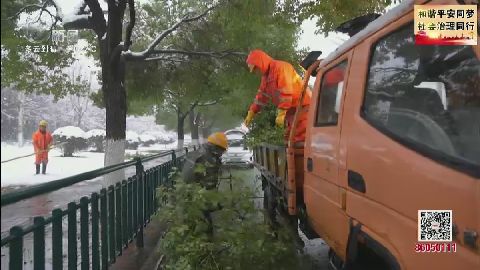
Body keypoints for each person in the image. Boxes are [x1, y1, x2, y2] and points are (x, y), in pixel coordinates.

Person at [243, 49, 312, 144]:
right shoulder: (266, 77)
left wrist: (281, 113)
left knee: (300, 140)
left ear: (260, 63)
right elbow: (261, 97)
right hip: (291, 111)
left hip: (303, 107)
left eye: (256, 68)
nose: (256, 72)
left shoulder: (281, 67)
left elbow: (286, 91)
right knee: (289, 140)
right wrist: (251, 112)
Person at [182, 132, 228, 237]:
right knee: (204, 226)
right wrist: (217, 201)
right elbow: (209, 184)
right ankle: (205, 247)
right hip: (197, 197)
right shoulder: (208, 158)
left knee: (192, 223)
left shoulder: (197, 152)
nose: (222, 153)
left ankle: (194, 241)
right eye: (222, 150)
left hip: (188, 193)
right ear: (215, 147)